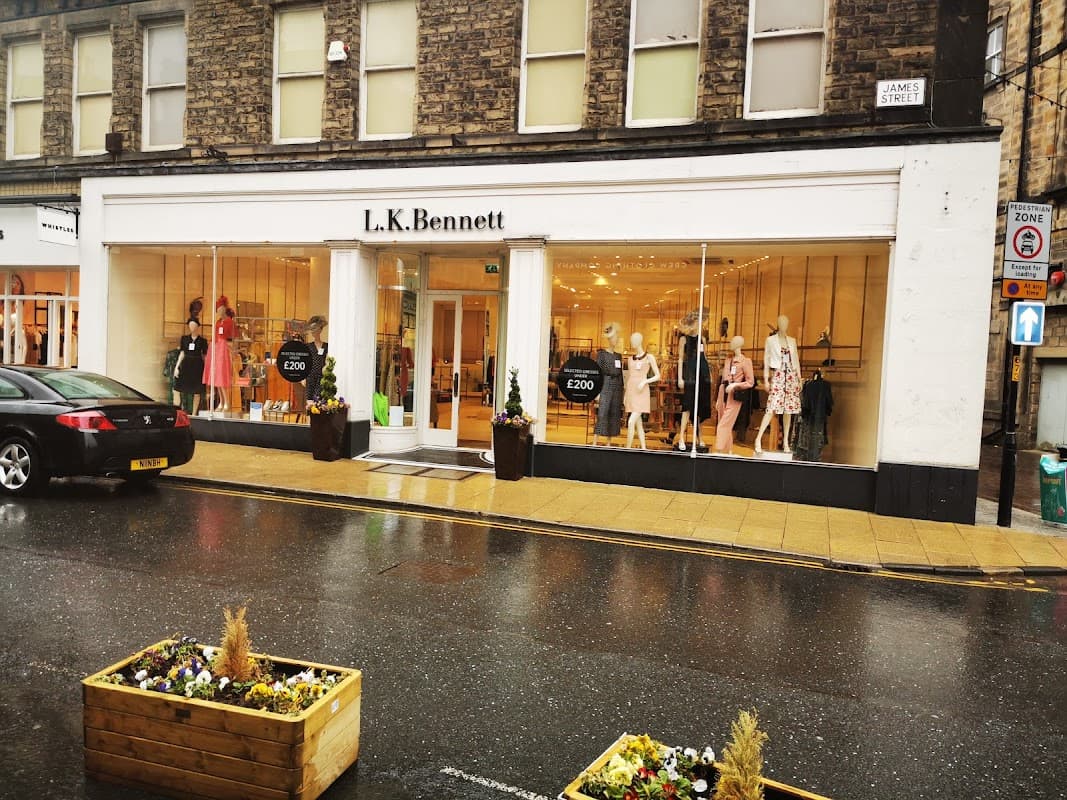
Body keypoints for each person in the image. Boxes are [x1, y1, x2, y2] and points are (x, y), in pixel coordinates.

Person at [754, 315, 801, 454]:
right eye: (781, 322)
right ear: (778, 324)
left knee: (788, 411)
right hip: (778, 375)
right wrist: (766, 379)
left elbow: (796, 359)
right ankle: (758, 438)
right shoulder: (770, 340)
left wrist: (799, 377)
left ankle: (786, 441)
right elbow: (766, 359)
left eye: (786, 323)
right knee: (771, 408)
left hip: (790, 376)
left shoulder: (792, 341)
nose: (783, 325)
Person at [676, 311, 712, 452]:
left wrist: (709, 375)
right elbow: (680, 359)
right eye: (697, 322)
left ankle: (699, 437)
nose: (700, 325)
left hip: (702, 374)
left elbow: (705, 358)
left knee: (699, 407)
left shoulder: (702, 339)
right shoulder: (684, 340)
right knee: (687, 406)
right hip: (690, 374)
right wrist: (680, 377)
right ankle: (681, 438)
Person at [714, 335, 754, 454]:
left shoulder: (745, 362)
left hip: (735, 396)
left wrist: (735, 385)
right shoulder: (728, 360)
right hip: (723, 394)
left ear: (739, 344)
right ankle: (728, 450)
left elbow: (750, 382)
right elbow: (722, 381)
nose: (731, 343)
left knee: (723, 424)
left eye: (733, 342)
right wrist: (718, 399)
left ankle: (720, 450)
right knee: (725, 423)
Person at [624, 332, 661, 450]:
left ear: (640, 340)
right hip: (631, 391)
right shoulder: (630, 359)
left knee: (631, 422)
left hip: (642, 391)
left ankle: (627, 448)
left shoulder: (650, 357)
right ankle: (644, 447)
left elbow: (658, 376)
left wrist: (645, 382)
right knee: (638, 422)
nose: (632, 342)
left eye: (634, 340)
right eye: (631, 340)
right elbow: (629, 377)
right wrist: (625, 395)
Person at [593, 322, 624, 446]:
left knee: (614, 412)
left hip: (617, 386)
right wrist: (597, 392)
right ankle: (595, 440)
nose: (616, 339)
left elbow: (620, 373)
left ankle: (609, 441)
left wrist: (623, 390)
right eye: (614, 337)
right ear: (609, 338)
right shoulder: (601, 354)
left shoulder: (618, 356)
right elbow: (598, 373)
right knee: (602, 412)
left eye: (616, 337)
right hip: (605, 384)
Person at [202, 296, 235, 411]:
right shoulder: (217, 322)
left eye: (221, 308)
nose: (219, 311)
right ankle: (221, 401)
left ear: (225, 308)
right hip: (215, 348)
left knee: (221, 375)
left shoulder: (229, 322)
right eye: (218, 309)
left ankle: (227, 402)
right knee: (216, 377)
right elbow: (215, 335)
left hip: (223, 349)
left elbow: (232, 338)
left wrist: (230, 350)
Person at [172, 318, 207, 414]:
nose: (192, 327)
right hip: (186, 364)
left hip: (197, 365)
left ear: (197, 327)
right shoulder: (184, 339)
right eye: (190, 325)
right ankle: (178, 411)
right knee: (178, 388)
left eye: (194, 325)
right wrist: (177, 367)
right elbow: (182, 353)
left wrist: (207, 369)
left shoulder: (202, 341)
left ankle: (194, 413)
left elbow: (204, 356)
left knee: (197, 391)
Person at [304, 315, 329, 401]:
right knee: (310, 401)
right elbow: (305, 363)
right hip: (310, 377)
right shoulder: (308, 346)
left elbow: (328, 361)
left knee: (320, 401)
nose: (313, 331)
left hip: (322, 377)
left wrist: (326, 368)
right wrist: (303, 378)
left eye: (315, 329)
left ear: (320, 329)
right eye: (312, 329)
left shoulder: (326, 346)